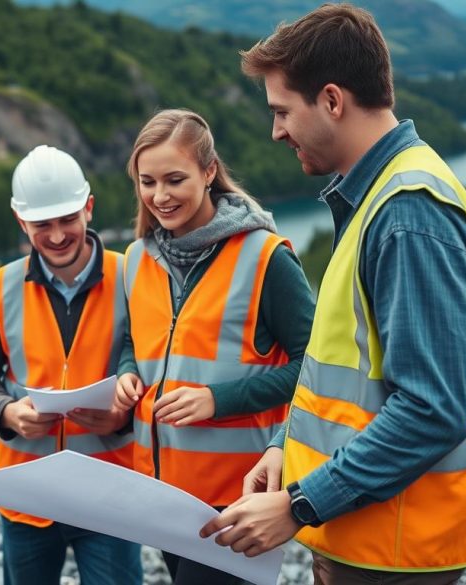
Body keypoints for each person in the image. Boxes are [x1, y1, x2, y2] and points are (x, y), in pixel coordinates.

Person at [200, 5, 466, 584]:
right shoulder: (377, 199)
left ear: (332, 101)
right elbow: (340, 376)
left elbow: (431, 410)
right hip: (369, 534)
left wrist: (298, 505)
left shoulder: (408, 217)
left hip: (397, 548)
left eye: (283, 111)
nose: (276, 131)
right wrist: (286, 453)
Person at [115, 109, 314, 584]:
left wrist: (218, 400)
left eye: (175, 179)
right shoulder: (137, 258)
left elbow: (316, 367)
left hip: (237, 499)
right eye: (148, 182)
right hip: (162, 495)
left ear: (208, 173)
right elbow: (133, 339)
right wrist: (127, 372)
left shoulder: (266, 257)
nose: (160, 196)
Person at [0, 145, 143, 585]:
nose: (57, 235)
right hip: (27, 496)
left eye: (67, 220)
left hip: (109, 495)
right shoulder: (0, 287)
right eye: (42, 224)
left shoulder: (133, 277)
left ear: (89, 209)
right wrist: (6, 412)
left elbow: (155, 370)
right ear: (21, 221)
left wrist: (122, 415)